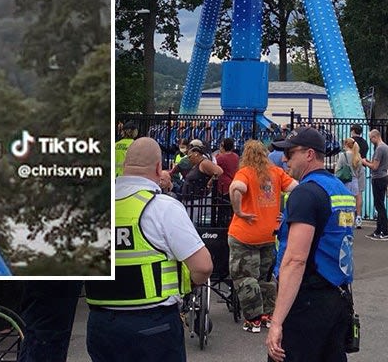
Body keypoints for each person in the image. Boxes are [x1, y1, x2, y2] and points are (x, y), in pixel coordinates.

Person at [85, 138, 213, 362]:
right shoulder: (162, 208)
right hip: (153, 325)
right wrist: (189, 284)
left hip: (101, 324)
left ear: (125, 167)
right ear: (157, 168)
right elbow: (203, 267)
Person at [265, 127, 356, 362]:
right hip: (337, 294)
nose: (285, 159)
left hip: (307, 299)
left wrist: (276, 322)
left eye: (290, 153)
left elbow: (296, 259)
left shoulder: (305, 193)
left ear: (309, 154)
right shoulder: (339, 189)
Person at [229, 140, 297, 332]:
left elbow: (236, 189)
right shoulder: (276, 173)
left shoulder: (246, 173)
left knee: (245, 277)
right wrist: (288, 213)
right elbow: (297, 187)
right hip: (268, 234)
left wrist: (239, 211)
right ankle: (268, 314)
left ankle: (254, 318)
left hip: (245, 234)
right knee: (266, 278)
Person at [361, 127, 388, 241]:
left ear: (375, 137)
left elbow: (375, 166)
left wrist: (364, 162)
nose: (370, 141)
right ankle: (378, 230)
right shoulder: (386, 147)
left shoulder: (379, 149)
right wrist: (370, 162)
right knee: (379, 204)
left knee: (379, 205)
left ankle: (384, 231)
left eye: (371, 138)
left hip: (378, 178)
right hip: (383, 176)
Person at [341, 137, 364, 227]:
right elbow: (360, 171)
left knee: (346, 200)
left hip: (346, 180)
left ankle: (347, 220)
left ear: (346, 144)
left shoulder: (343, 155)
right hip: (355, 180)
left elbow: (338, 168)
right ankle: (358, 217)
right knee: (357, 198)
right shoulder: (358, 156)